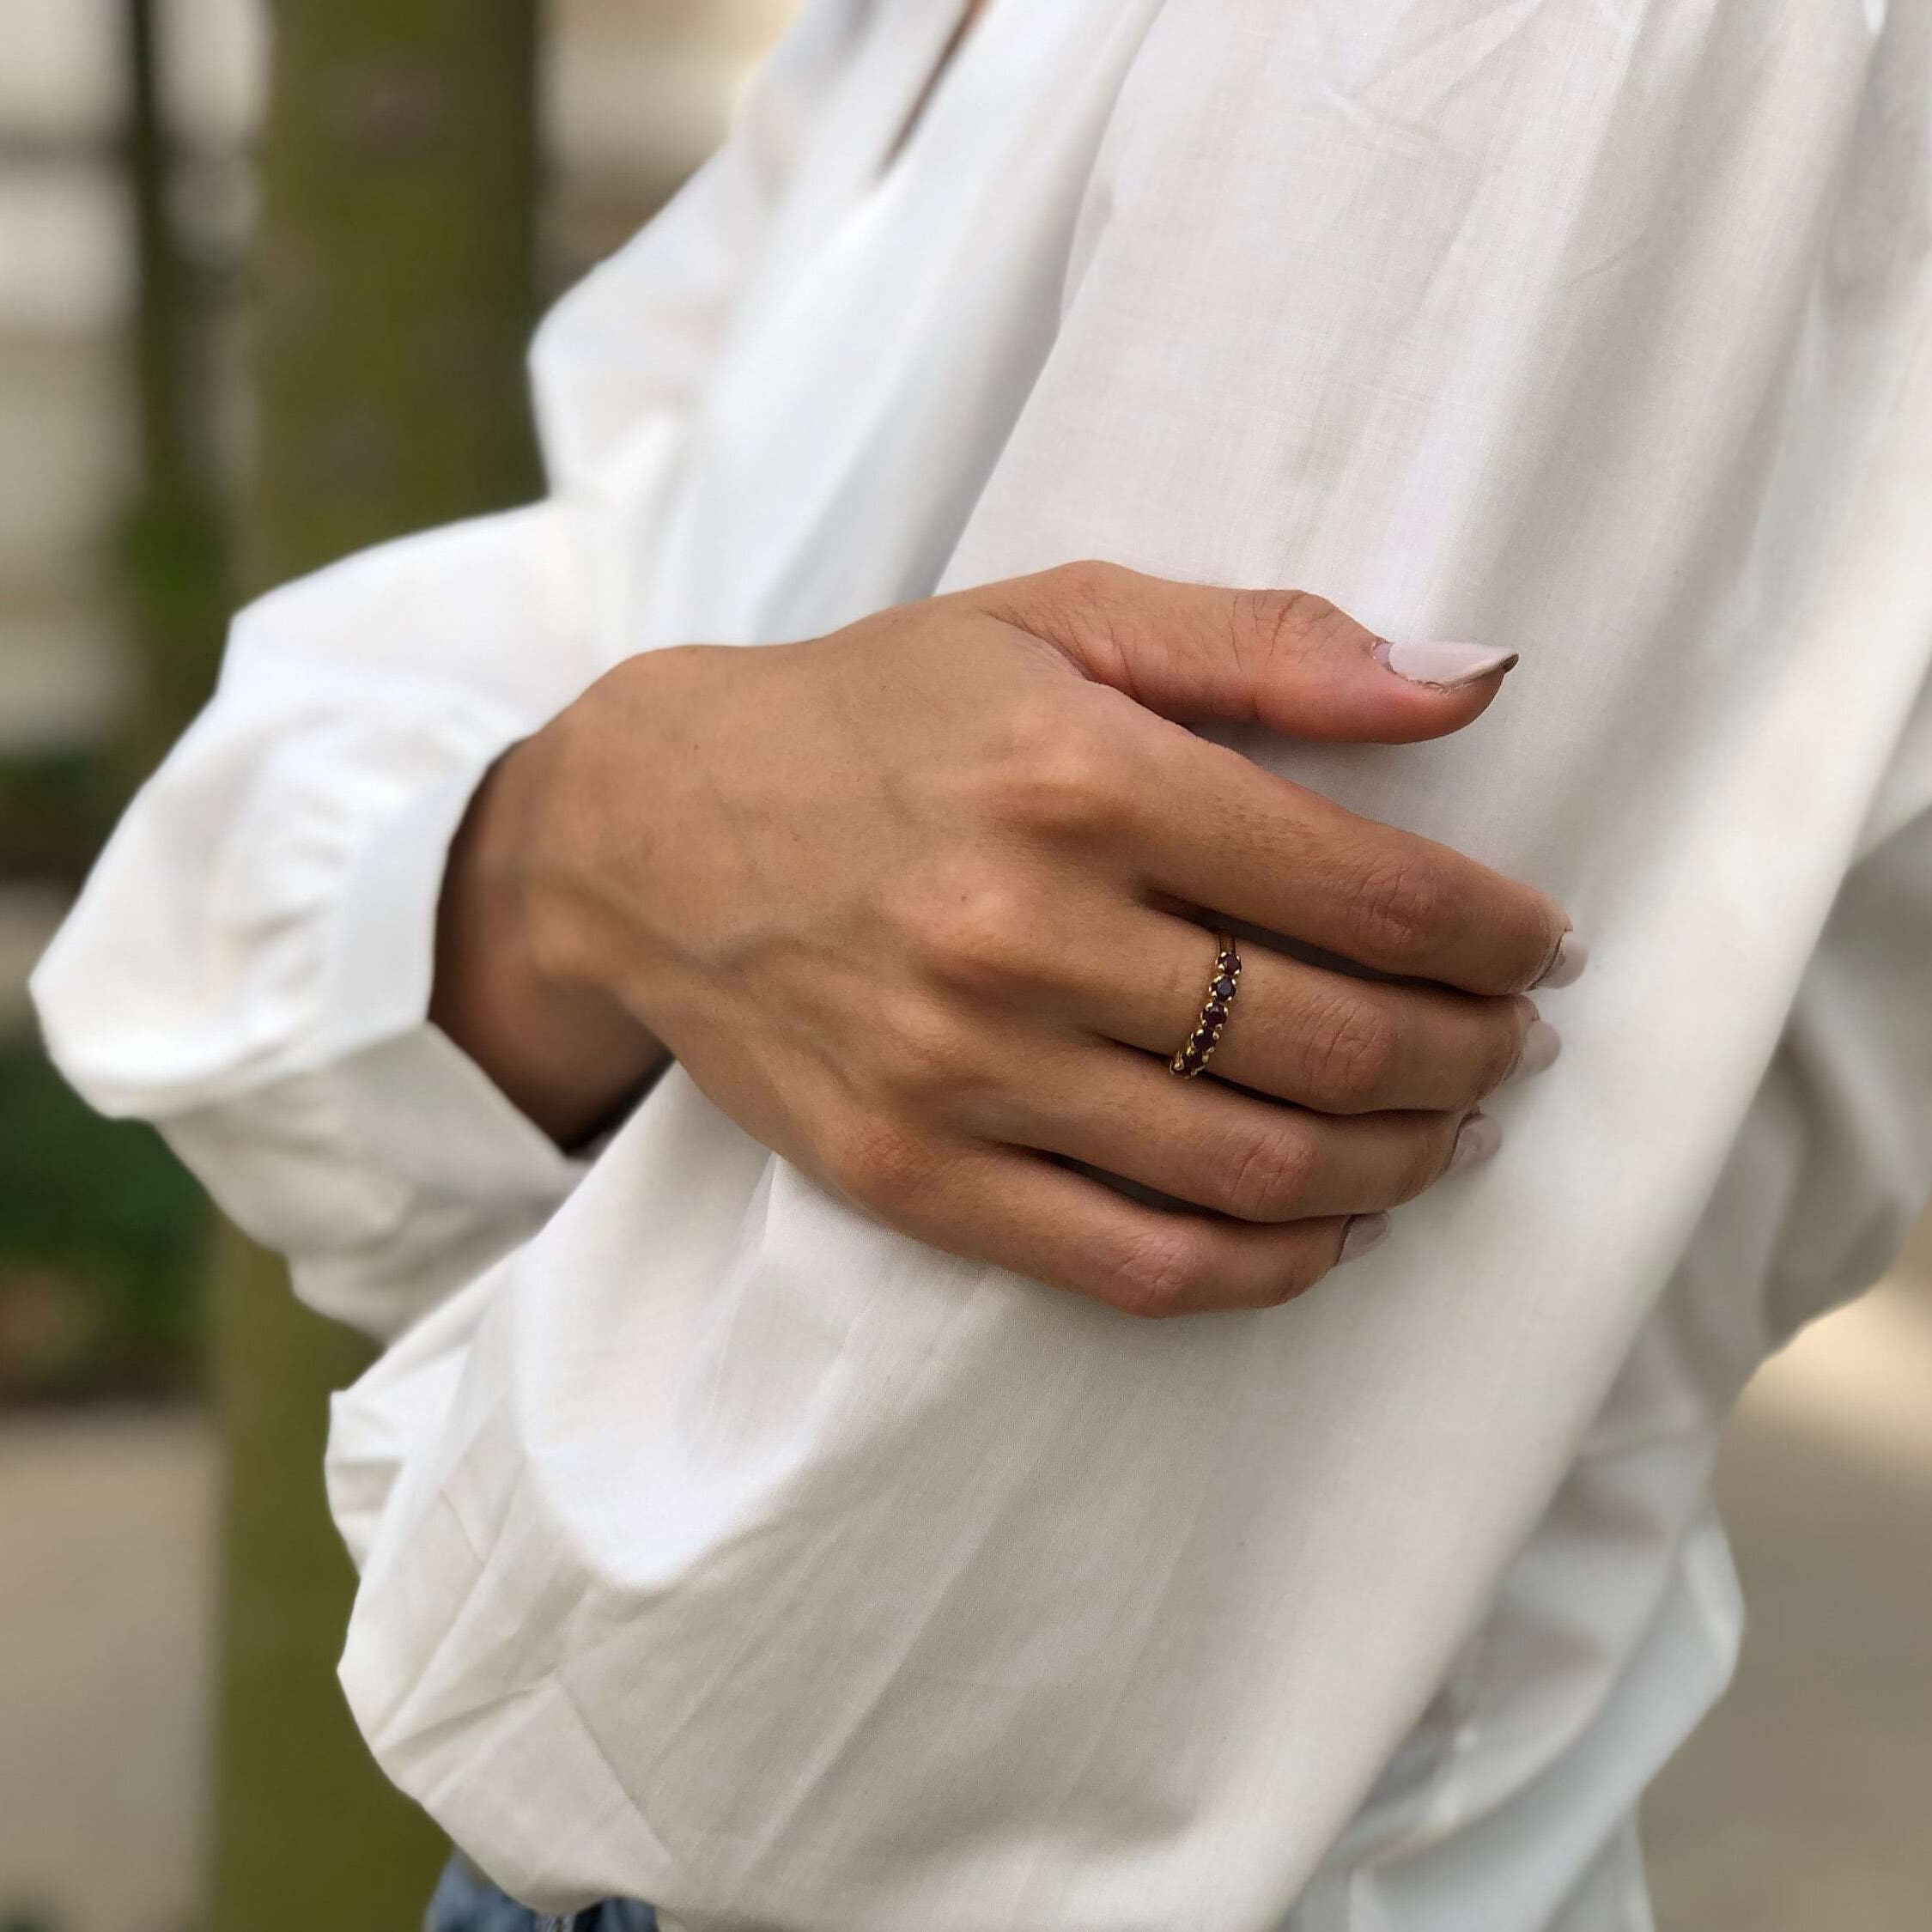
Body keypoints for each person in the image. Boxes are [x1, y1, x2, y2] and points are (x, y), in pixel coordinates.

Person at [32, 2, 1932, 1929]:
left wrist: (579, 897)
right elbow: (322, 815)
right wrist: (599, 838)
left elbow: (879, 1614)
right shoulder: (902, 44)